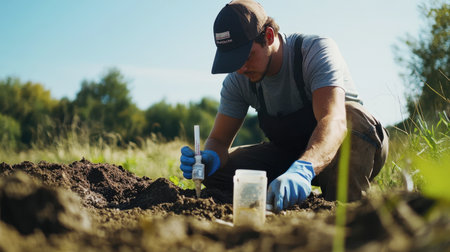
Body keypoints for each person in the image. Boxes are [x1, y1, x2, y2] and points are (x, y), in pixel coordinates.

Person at [180, 0, 389, 212]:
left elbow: (333, 121)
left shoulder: (314, 52)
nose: (241, 68)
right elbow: (218, 140)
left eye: (246, 56)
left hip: (351, 146)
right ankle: (271, 204)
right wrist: (210, 159)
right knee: (221, 172)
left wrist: (303, 170)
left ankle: (345, 211)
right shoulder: (238, 80)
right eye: (233, 61)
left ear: (268, 36)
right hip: (290, 152)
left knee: (351, 116)